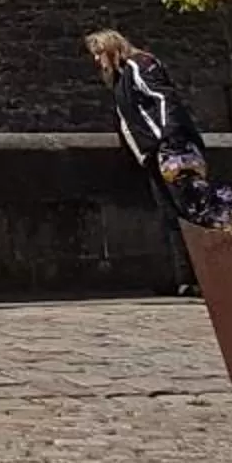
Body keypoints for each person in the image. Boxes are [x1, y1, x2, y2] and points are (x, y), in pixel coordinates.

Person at [87, 27, 212, 295]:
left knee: (190, 210)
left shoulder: (139, 65)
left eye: (99, 53)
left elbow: (163, 98)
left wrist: (169, 138)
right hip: (152, 155)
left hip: (170, 150)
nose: (97, 61)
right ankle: (184, 279)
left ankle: (208, 275)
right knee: (171, 216)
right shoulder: (121, 79)